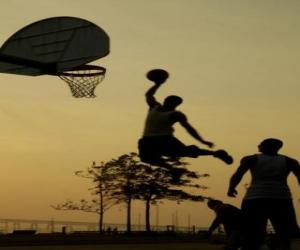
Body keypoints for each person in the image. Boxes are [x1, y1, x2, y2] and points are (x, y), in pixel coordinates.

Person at [138, 69, 233, 178]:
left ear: (176, 104)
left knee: (185, 152)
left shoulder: (176, 114)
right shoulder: (154, 107)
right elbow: (148, 94)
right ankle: (174, 170)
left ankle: (217, 153)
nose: (168, 102)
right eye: (168, 100)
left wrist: (202, 140)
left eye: (171, 101)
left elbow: (189, 129)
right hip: (147, 139)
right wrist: (158, 84)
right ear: (165, 100)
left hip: (164, 139)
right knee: (147, 159)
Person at [227, 138, 300, 250]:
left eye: (261, 143)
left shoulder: (251, 159)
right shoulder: (290, 161)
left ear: (267, 146)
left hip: (255, 198)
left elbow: (238, 174)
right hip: (281, 198)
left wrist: (231, 188)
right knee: (284, 232)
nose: (258, 145)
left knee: (252, 231)